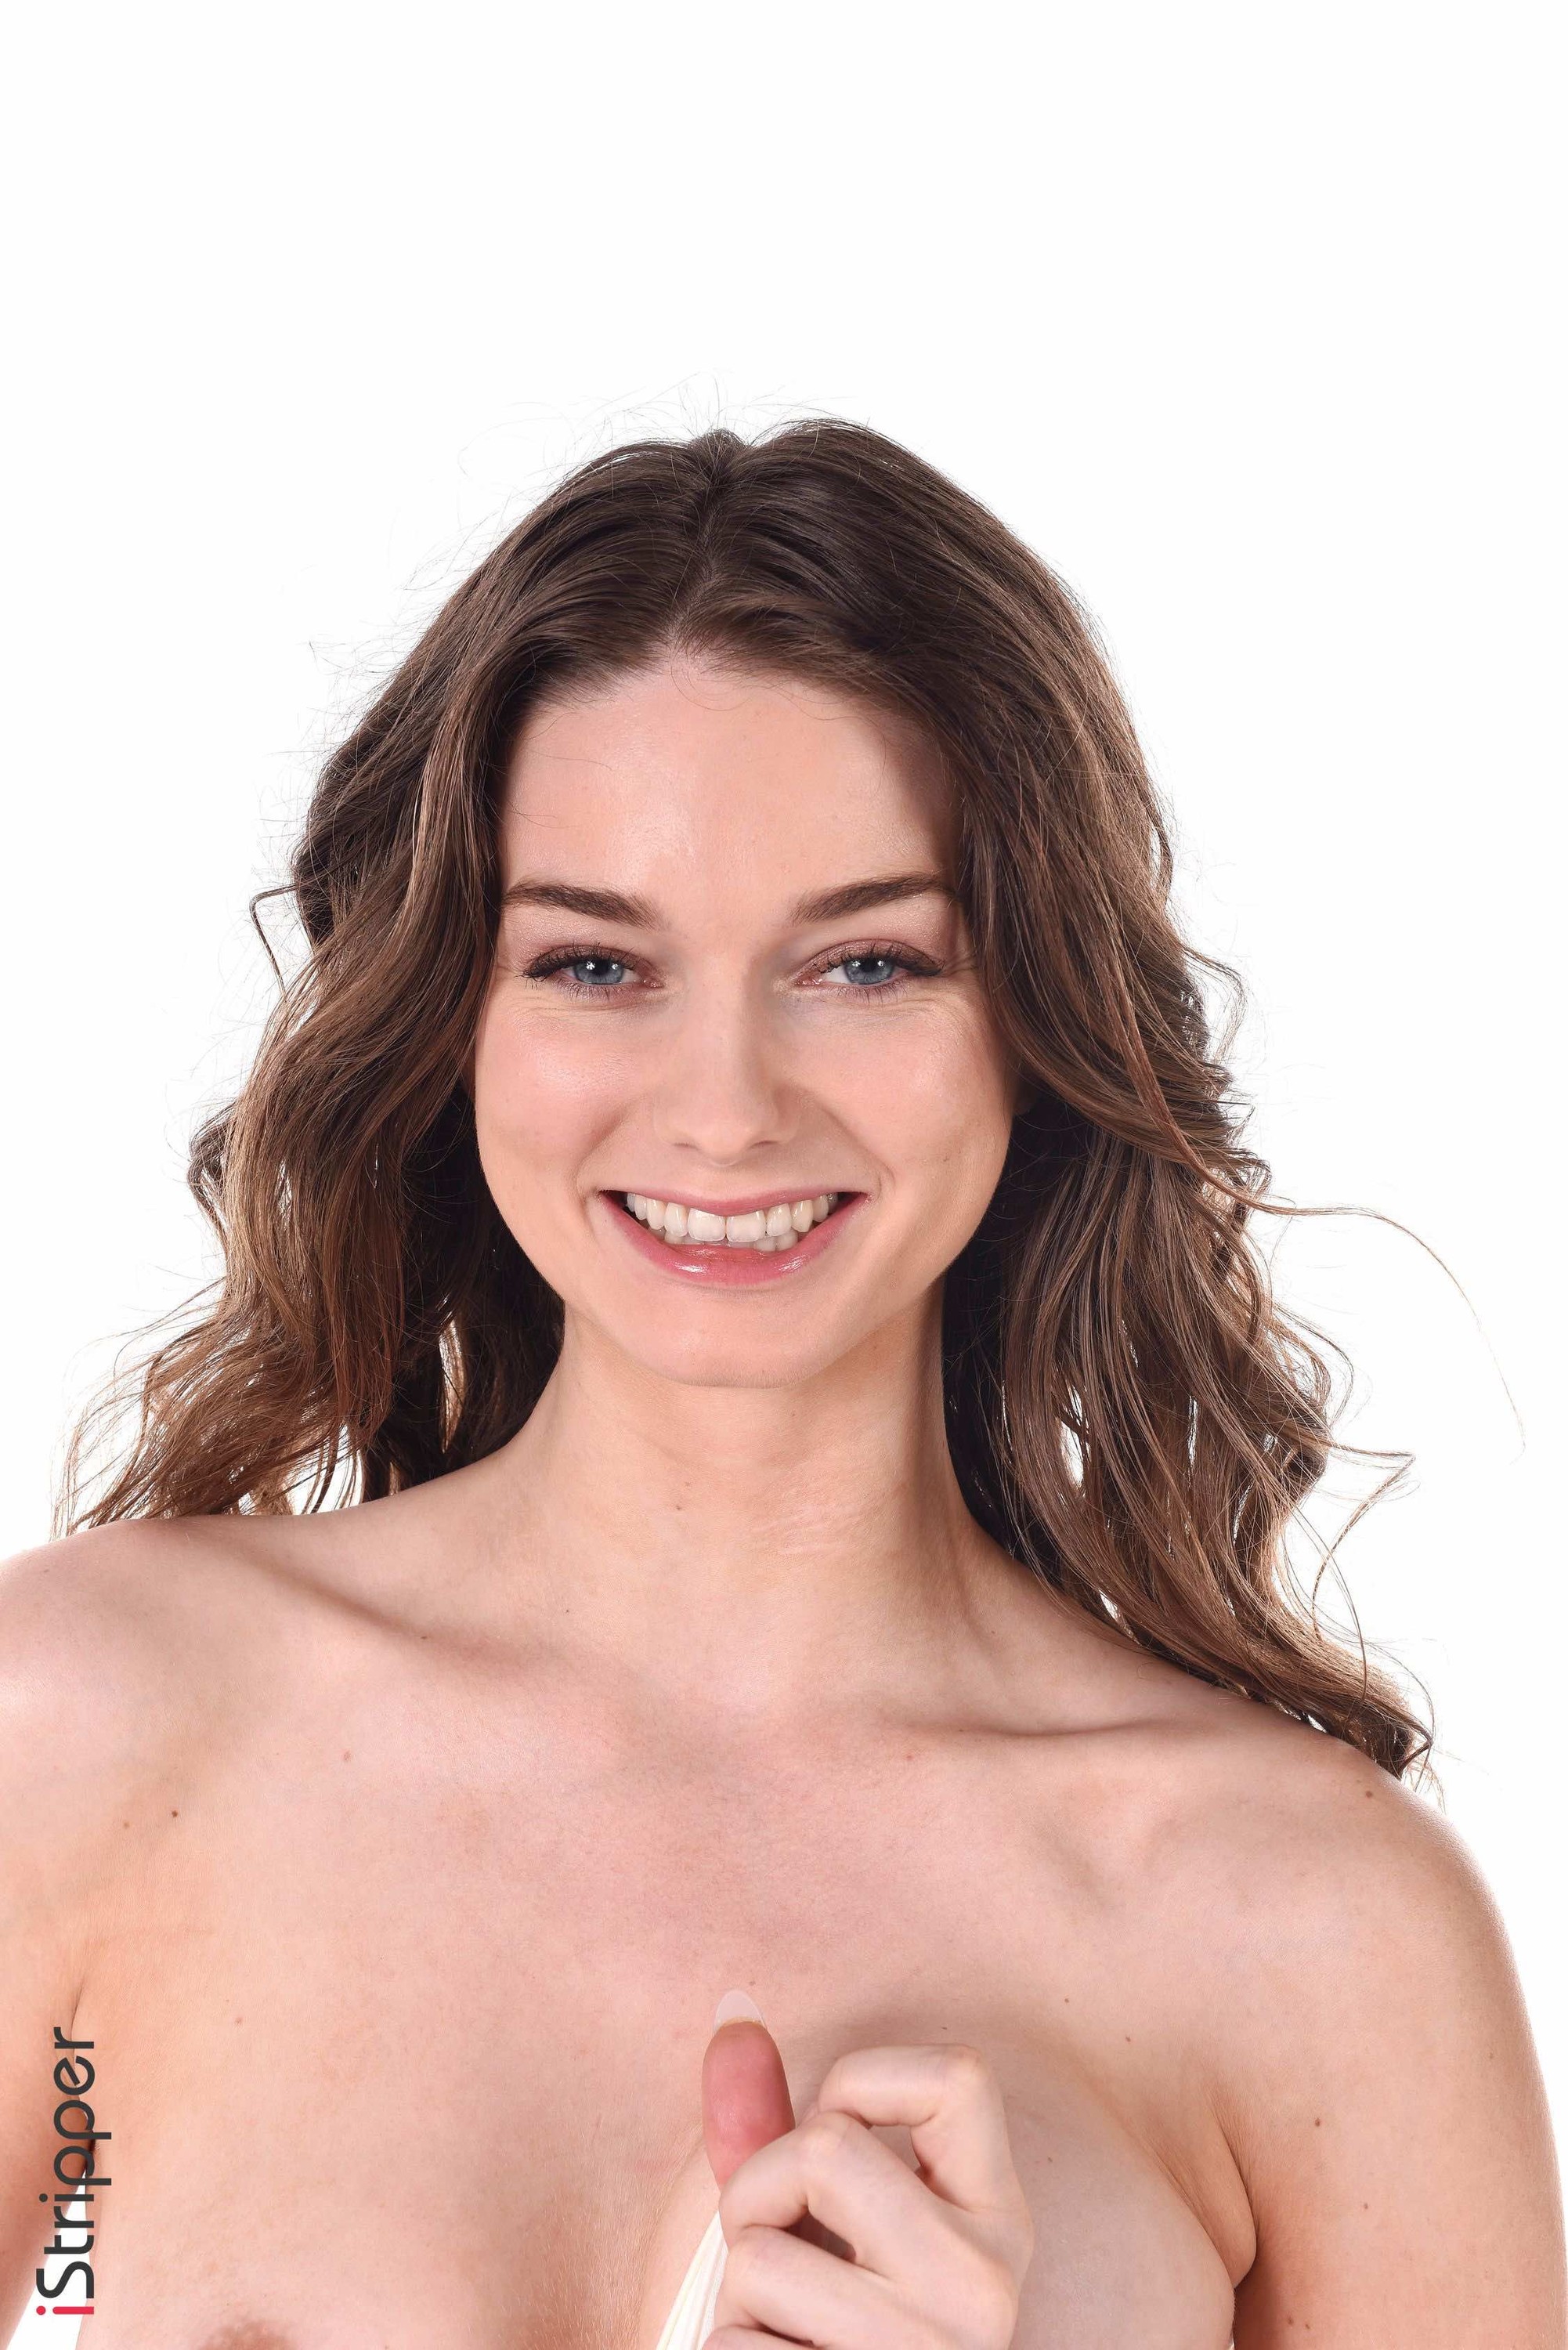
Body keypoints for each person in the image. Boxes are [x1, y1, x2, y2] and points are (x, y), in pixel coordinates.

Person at [2, 419, 1562, 2349]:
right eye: (593, 966)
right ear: (451, 1015)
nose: (726, 1109)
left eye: (865, 965)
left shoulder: (1319, 1929)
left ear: (1030, 1019)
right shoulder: (86, 1728)